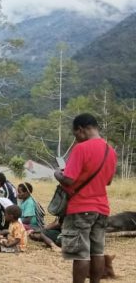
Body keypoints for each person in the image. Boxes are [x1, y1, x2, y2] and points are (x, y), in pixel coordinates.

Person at [54, 113, 117, 283]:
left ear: (81, 129)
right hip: (102, 209)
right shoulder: (110, 151)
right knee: (97, 252)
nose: (76, 140)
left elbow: (69, 179)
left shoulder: (81, 149)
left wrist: (58, 174)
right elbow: (108, 181)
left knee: (80, 254)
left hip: (81, 208)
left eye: (76, 135)